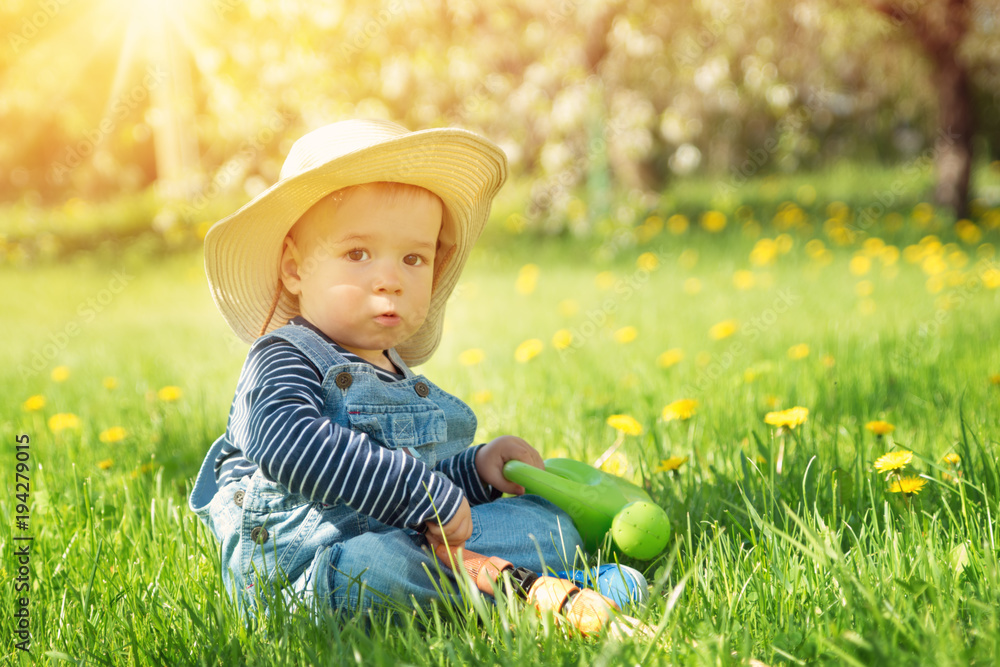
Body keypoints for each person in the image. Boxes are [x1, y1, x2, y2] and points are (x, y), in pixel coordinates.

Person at [188, 119, 646, 619]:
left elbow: (428, 486)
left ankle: (510, 587)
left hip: (405, 540)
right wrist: (425, 494)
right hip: (311, 570)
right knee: (374, 571)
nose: (390, 279)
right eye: (357, 253)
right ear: (295, 269)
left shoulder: (393, 370)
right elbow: (288, 444)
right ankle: (523, 593)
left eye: (412, 258)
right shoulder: (283, 356)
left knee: (547, 526)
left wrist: (475, 471)